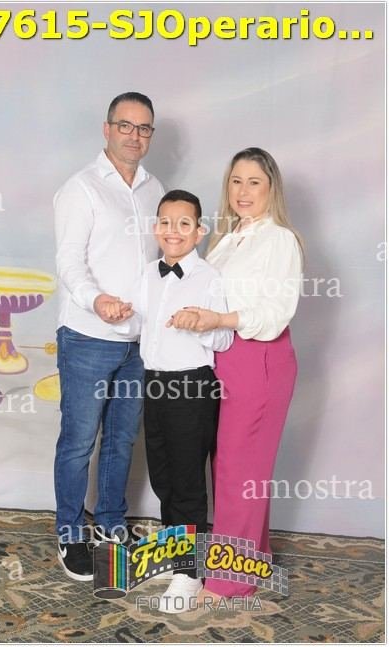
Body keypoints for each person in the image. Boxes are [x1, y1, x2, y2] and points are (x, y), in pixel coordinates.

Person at [169, 148, 303, 600]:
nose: (243, 191)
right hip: (225, 359)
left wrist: (218, 320)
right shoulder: (227, 240)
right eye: (236, 181)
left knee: (237, 469)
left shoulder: (279, 239)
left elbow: (276, 313)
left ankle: (229, 580)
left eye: (254, 182)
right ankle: (254, 558)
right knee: (232, 465)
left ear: (271, 188)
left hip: (260, 360)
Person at [54, 92, 164, 582]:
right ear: (107, 128)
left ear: (150, 135)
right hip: (88, 336)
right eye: (125, 125)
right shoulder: (80, 189)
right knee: (79, 441)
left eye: (143, 128)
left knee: (122, 438)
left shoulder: (155, 189)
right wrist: (95, 299)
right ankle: (70, 533)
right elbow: (69, 260)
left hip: (138, 340)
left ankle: (111, 523)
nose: (134, 135)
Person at [116, 189, 233, 612]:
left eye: (184, 224)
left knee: (186, 480)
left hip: (191, 386)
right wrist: (120, 314)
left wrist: (201, 323)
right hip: (155, 383)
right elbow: (138, 327)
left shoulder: (210, 278)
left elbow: (224, 338)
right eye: (166, 222)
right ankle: (174, 550)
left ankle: (189, 571)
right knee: (163, 474)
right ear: (155, 228)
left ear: (199, 231)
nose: (173, 231)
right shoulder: (149, 274)